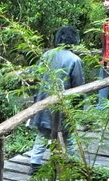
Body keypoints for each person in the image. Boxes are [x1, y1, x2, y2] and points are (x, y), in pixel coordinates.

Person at [29, 26, 85, 170]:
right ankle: (72, 165)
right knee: (69, 137)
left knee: (43, 133)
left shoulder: (47, 55)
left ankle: (35, 164)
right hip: (63, 104)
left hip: (43, 100)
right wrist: (78, 107)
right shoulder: (75, 60)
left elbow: (37, 76)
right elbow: (78, 86)